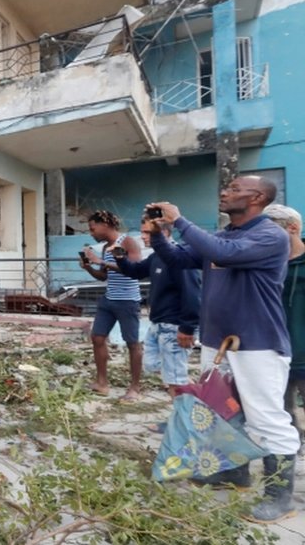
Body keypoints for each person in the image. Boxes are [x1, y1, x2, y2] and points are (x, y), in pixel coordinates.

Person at [147, 175, 299, 523]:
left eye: (234, 189)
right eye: (225, 187)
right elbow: (178, 259)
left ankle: (280, 496)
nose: (225, 192)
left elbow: (223, 254)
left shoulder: (269, 235)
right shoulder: (223, 235)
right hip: (218, 342)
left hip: (257, 343)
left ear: (257, 197)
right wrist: (157, 233)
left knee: (267, 419)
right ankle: (235, 473)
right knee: (225, 412)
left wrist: (179, 220)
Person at [114, 218, 201, 409]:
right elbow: (136, 271)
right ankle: (191, 399)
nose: (142, 237)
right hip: (157, 325)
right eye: (142, 232)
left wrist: (187, 327)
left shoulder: (179, 257)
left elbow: (193, 294)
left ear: (166, 233)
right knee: (156, 368)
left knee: (175, 382)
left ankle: (184, 424)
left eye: (147, 232)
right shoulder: (156, 257)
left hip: (174, 326)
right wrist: (120, 257)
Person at [78, 210, 144, 401]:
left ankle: (134, 388)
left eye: (93, 228)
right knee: (97, 338)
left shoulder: (128, 242)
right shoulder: (106, 247)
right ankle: (102, 383)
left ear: (105, 225)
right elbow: (104, 277)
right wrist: (90, 266)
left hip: (128, 300)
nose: (91, 233)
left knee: (132, 343)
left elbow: (136, 270)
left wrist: (102, 262)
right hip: (109, 299)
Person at [263, 204, 305, 452]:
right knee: (281, 408)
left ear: (293, 228)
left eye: (273, 230)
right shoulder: (267, 264)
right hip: (277, 350)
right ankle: (292, 447)